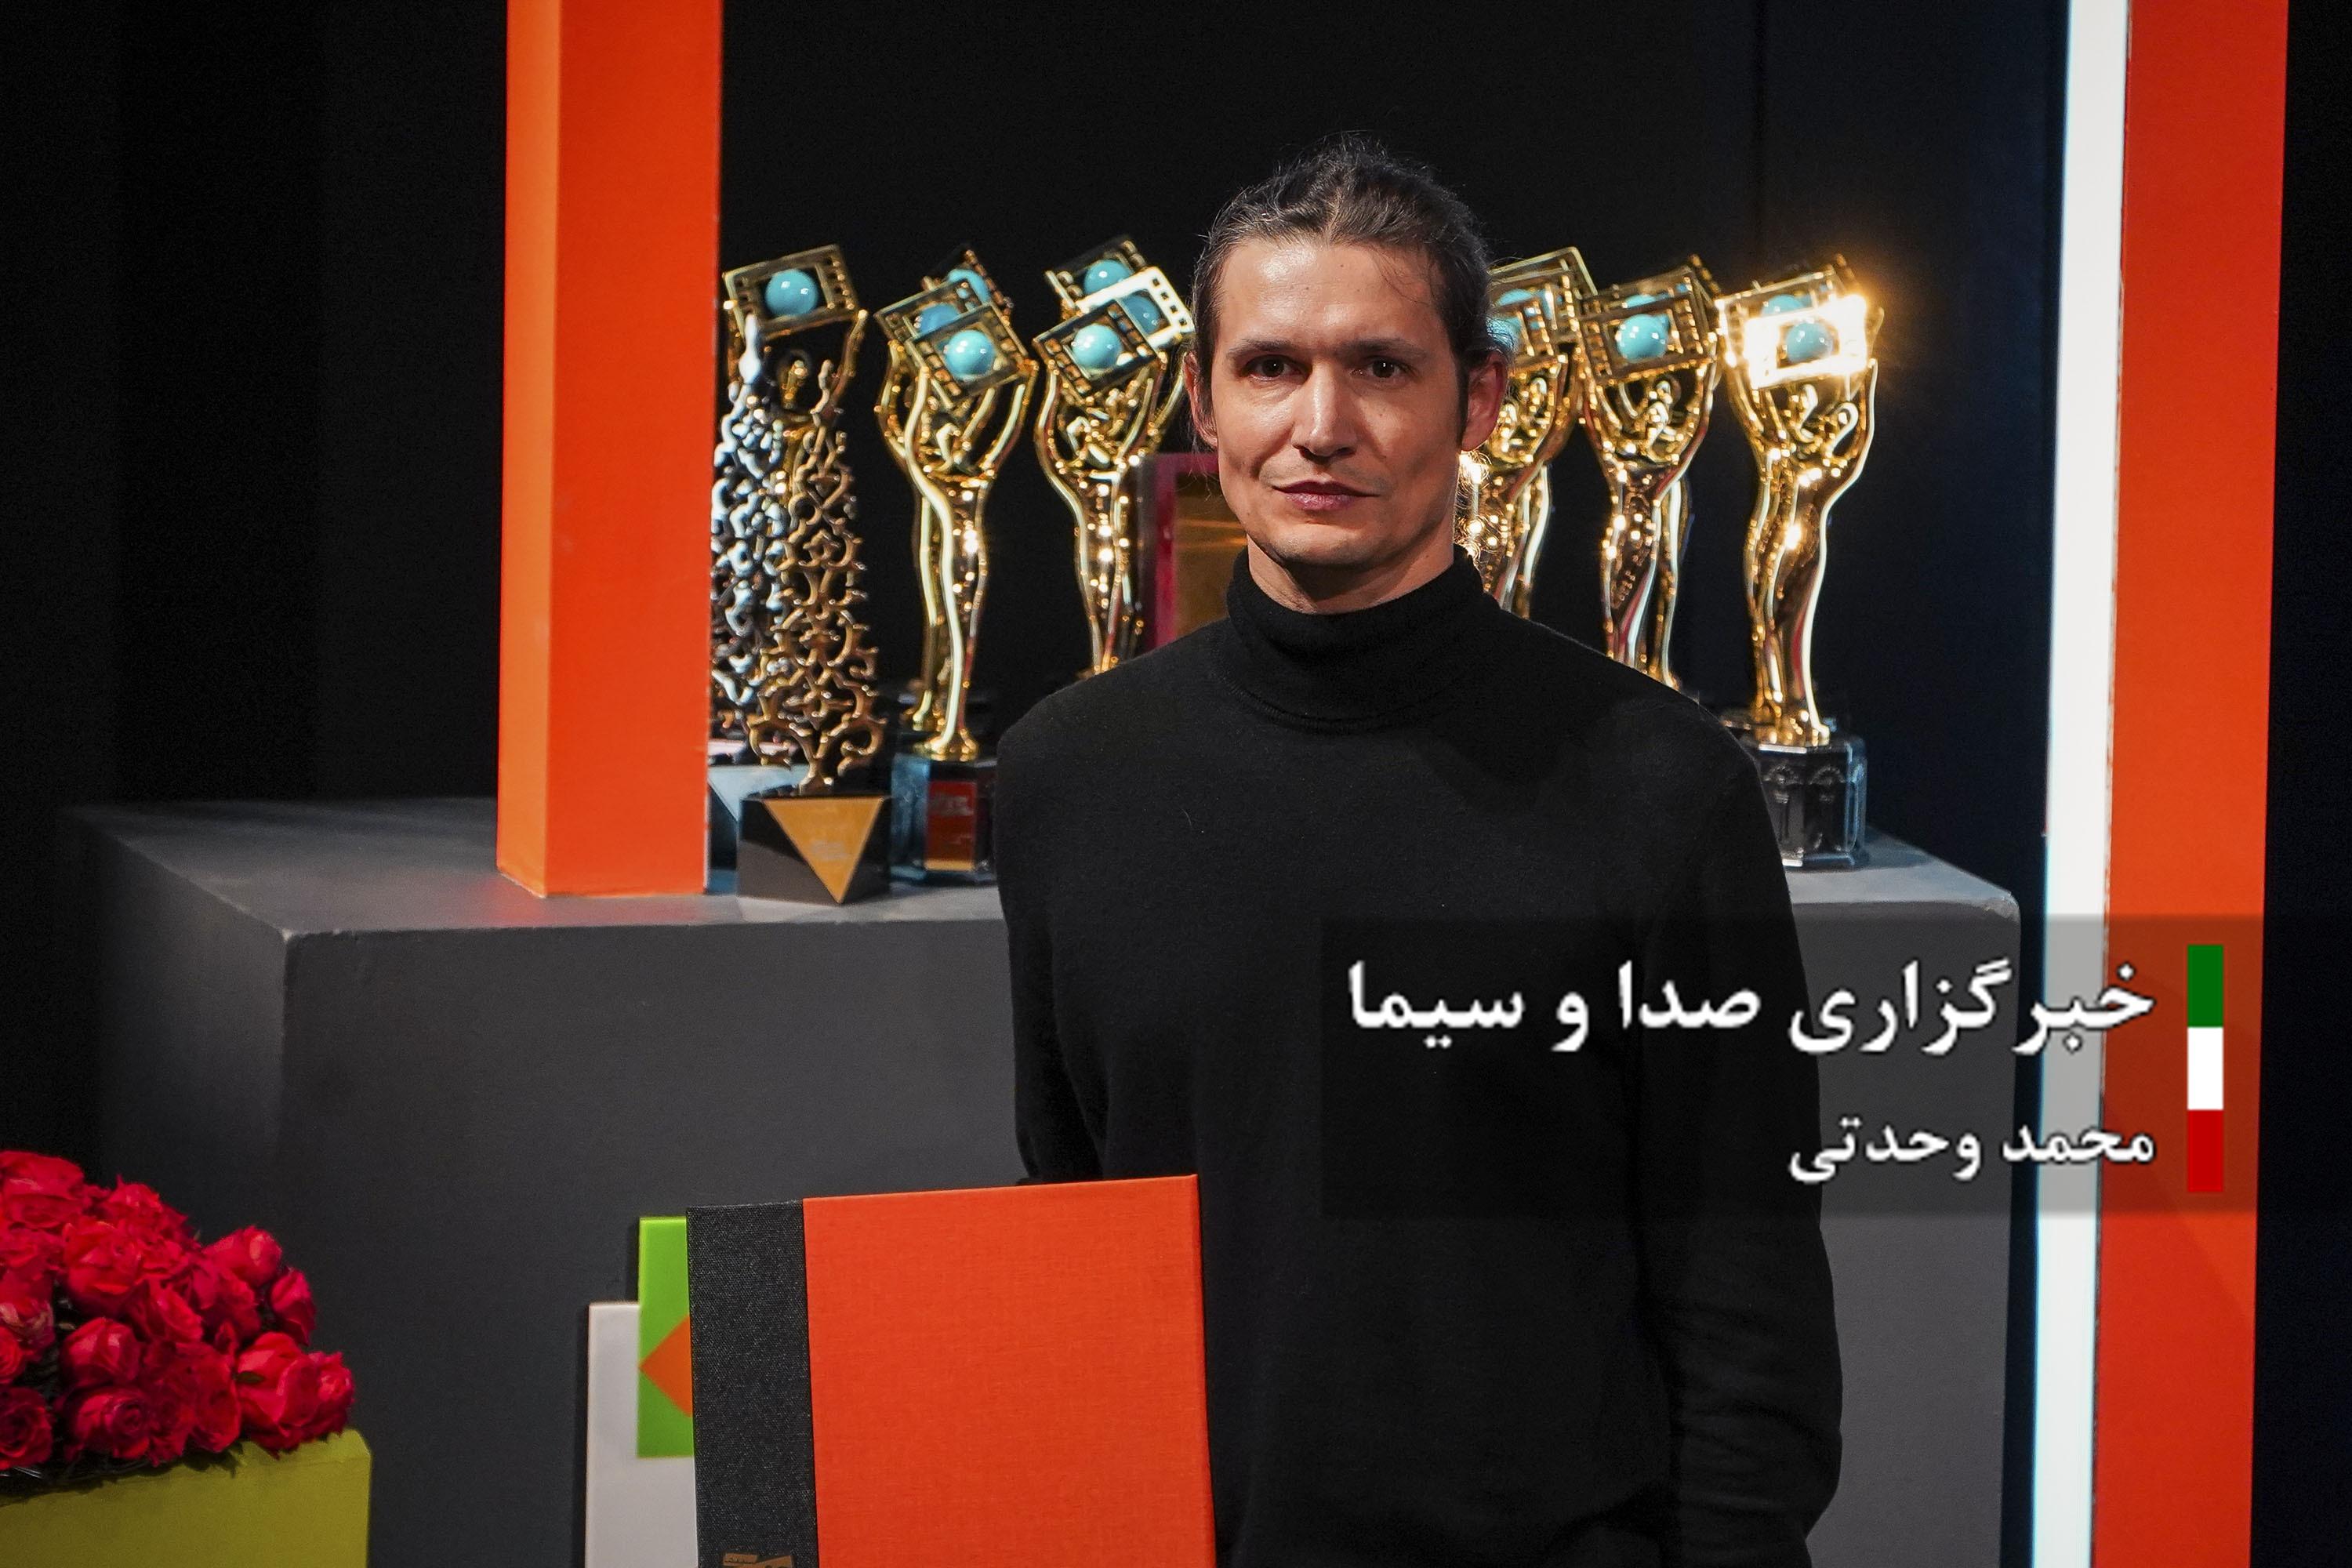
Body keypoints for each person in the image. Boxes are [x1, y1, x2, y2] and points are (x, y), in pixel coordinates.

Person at [994, 132, 1840, 1568]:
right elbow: (1073, 1229)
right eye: (1270, 367)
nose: (1320, 425)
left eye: (1382, 367)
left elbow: (1746, 1298)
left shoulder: (1658, 785)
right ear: (1202, 397)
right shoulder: (1070, 774)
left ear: (1480, 399)